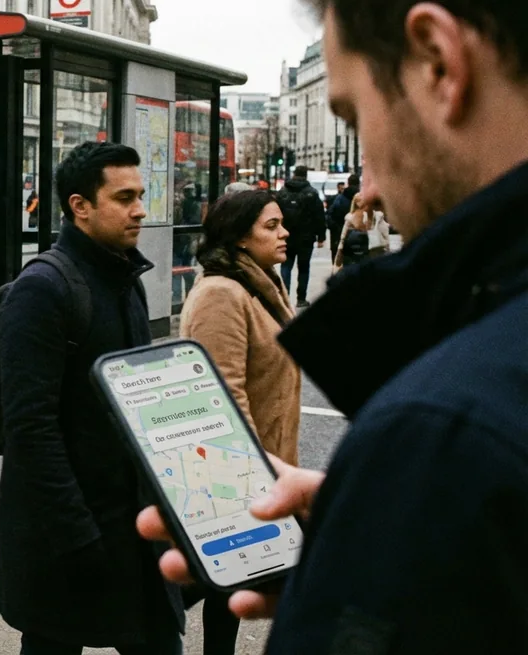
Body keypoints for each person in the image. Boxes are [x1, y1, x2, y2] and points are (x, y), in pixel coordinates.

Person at [138, 1, 528, 652]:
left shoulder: (445, 426)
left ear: (438, 62)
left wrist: (404, 502)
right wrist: (382, 526)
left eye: (355, 117)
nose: (366, 189)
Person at [0, 141, 183, 655]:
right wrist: (78, 537)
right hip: (68, 534)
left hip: (134, 526)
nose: (139, 209)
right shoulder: (43, 289)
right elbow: (30, 429)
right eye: (124, 197)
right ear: (80, 205)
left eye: (140, 195)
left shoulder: (126, 280)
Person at [178, 189, 301, 655]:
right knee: (243, 580)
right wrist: (257, 476)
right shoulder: (221, 295)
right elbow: (223, 397)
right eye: (271, 225)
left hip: (272, 464)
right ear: (240, 238)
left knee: (233, 583)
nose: (284, 232)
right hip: (243, 474)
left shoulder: (263, 284)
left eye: (281, 223)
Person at [275, 165, 326, 307]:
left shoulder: (282, 192)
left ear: (294, 174)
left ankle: (285, 298)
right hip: (306, 237)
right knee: (304, 268)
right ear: (306, 175)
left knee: (286, 266)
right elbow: (319, 216)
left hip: (286, 236)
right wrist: (321, 236)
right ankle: (301, 299)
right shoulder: (312, 193)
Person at [333, 192, 389, 269]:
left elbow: (343, 238)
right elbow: (385, 235)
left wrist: (339, 256)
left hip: (358, 253)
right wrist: (387, 250)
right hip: (372, 250)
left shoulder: (350, 217)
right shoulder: (377, 216)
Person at [326, 173, 360, 260]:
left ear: (348, 183)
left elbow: (330, 214)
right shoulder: (363, 197)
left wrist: (334, 227)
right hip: (359, 233)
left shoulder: (340, 198)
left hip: (340, 232)